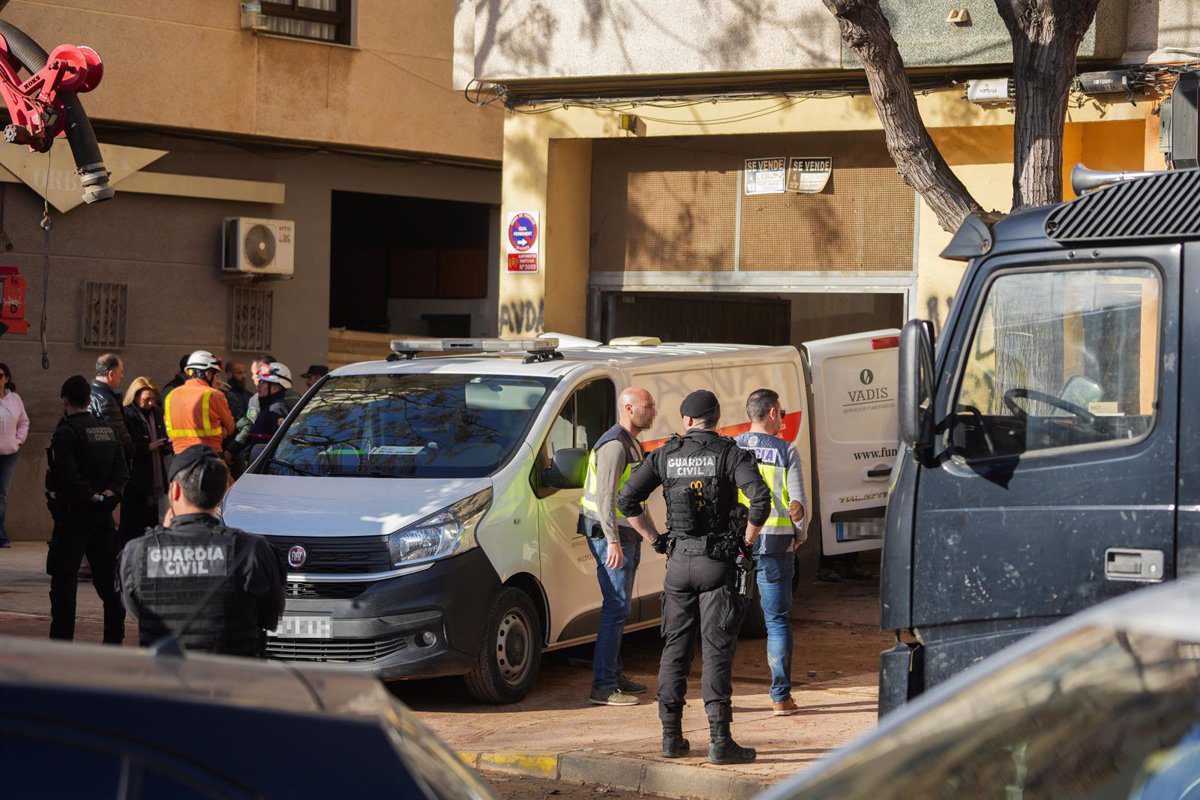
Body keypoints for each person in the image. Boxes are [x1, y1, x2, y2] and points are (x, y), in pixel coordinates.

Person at [618, 389, 770, 765]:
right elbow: (761, 501)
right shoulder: (730, 454)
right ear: (715, 418)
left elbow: (625, 501)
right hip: (717, 564)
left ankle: (671, 738)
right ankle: (720, 741)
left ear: (686, 421)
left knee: (674, 652)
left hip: (679, 564)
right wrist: (744, 546)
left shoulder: (666, 455)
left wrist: (655, 540)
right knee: (717, 652)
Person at [117, 445, 285, 656]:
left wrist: (165, 536)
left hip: (164, 683)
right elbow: (270, 617)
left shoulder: (138, 552)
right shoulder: (253, 551)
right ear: (223, 491)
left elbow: (137, 613)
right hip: (234, 682)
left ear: (176, 490)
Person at [578, 387, 658, 706]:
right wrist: (612, 540)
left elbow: (633, 497)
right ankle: (604, 685)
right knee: (615, 607)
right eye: (647, 406)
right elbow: (605, 498)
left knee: (620, 608)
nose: (653, 411)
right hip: (609, 535)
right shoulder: (614, 445)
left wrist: (652, 534)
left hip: (625, 535)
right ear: (628, 408)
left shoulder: (632, 443)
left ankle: (613, 673)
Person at [734, 388, 807, 717]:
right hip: (777, 545)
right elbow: (800, 507)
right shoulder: (787, 451)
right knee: (776, 622)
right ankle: (780, 697)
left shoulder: (732, 448)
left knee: (721, 622)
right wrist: (800, 536)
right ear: (774, 413)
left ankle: (720, 696)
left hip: (737, 546)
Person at [45, 375, 129, 644]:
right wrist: (109, 495)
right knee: (109, 583)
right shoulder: (107, 429)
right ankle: (114, 640)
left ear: (65, 400)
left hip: (73, 516)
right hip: (102, 517)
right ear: (89, 400)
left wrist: (90, 496)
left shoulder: (66, 432)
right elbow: (122, 471)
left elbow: (66, 475)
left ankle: (62, 642)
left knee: (64, 582)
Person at [119, 377, 171, 548]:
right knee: (132, 525)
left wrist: (165, 444)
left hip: (157, 474)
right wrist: (148, 447)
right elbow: (126, 447)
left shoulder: (156, 413)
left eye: (152, 399)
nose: (150, 402)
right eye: (146, 399)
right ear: (135, 397)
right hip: (137, 477)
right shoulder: (127, 414)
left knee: (152, 524)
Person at [163, 350, 236, 459]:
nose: (217, 378)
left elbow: (168, 426)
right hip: (210, 458)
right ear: (208, 374)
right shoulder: (214, 395)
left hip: (180, 459)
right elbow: (230, 427)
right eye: (216, 374)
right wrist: (223, 431)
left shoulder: (171, 395)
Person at [0, 362, 30, 548]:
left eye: (0, 375)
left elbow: (24, 422)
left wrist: (18, 440)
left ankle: (0, 534)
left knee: (2, 495)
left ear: (6, 378)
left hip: (9, 454)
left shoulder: (15, 399)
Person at [89, 353, 134, 464]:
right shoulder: (107, 401)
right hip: (108, 462)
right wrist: (133, 452)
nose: (123, 376)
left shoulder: (89, 392)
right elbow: (119, 435)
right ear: (111, 374)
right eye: (121, 372)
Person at [248, 362, 297, 445]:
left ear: (275, 387)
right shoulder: (269, 406)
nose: (258, 386)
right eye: (259, 381)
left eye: (263, 382)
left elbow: (282, 443)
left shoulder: (277, 409)